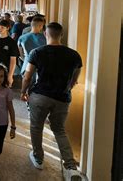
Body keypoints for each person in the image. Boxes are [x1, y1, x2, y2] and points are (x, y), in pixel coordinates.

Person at [20, 22, 82, 179]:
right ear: (61, 35)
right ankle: (70, 167)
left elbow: (27, 76)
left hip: (40, 95)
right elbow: (74, 79)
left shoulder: (37, 52)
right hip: (62, 98)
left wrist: (23, 91)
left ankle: (38, 158)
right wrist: (66, 90)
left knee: (36, 127)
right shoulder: (74, 55)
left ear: (46, 35)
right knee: (59, 129)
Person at [17, 16, 46, 85]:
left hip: (27, 64)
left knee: (26, 84)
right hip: (41, 65)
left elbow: (20, 54)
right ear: (40, 26)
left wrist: (26, 59)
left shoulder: (22, 38)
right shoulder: (45, 38)